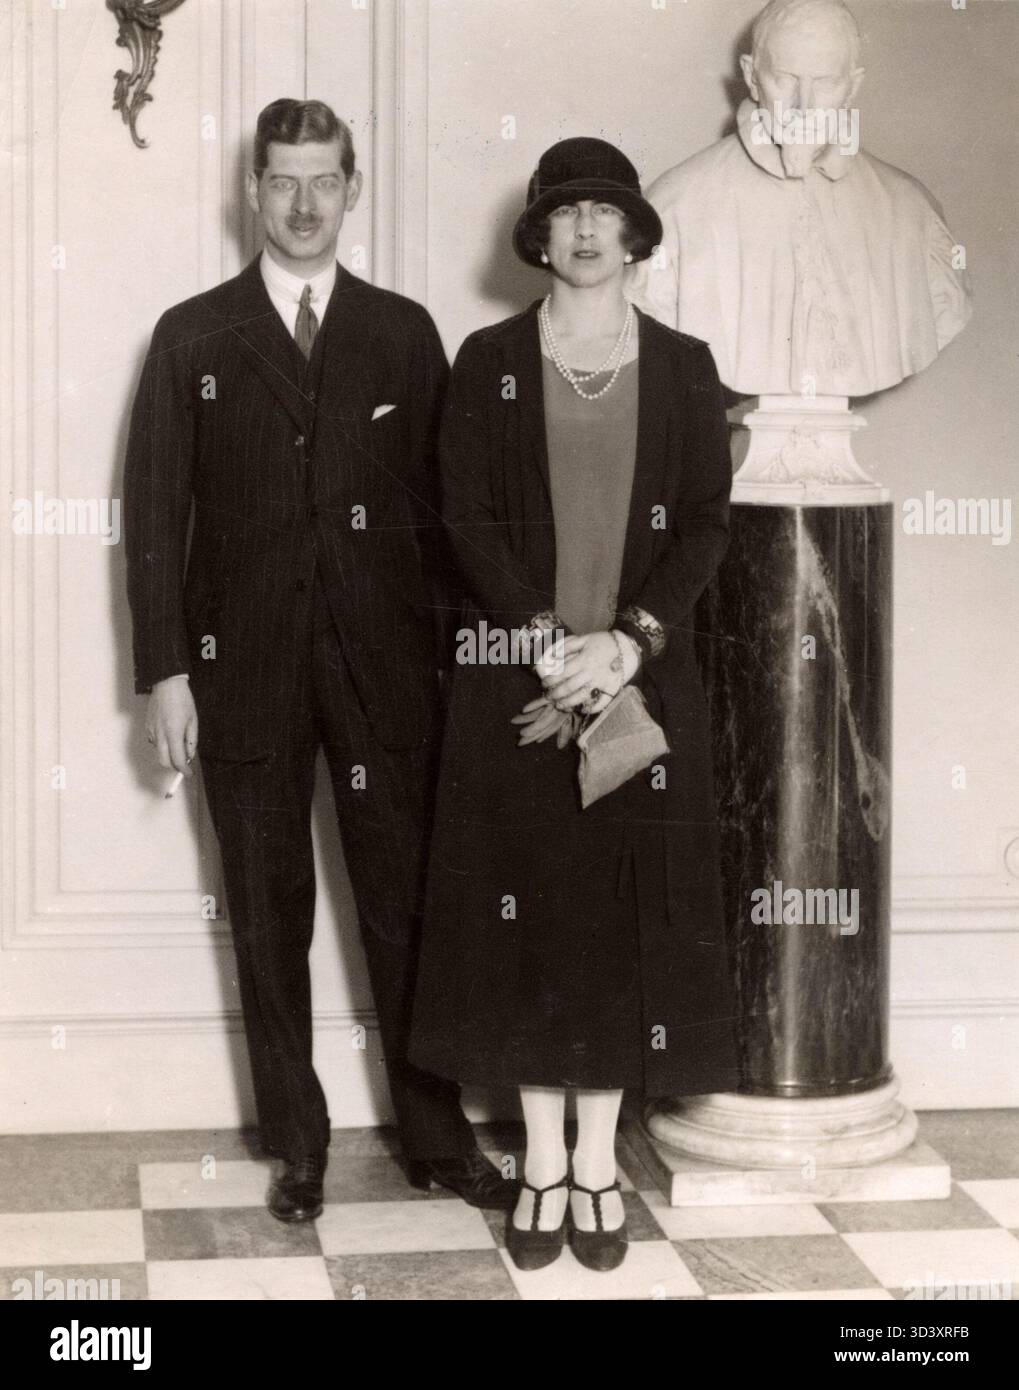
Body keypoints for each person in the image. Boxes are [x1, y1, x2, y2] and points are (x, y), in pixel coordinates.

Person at [124, 98, 515, 1223]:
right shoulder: (192, 334)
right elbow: (156, 514)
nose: (302, 205)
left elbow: (449, 527)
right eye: (282, 181)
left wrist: (466, 670)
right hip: (237, 673)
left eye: (323, 182)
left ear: (354, 189)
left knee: (405, 907)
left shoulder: (402, 333)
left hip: (388, 677)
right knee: (266, 910)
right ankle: (298, 1143)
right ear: (253, 190)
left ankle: (435, 1138)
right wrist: (164, 672)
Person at [408, 138, 740, 1272]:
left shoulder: (687, 367)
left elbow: (703, 523)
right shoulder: (488, 356)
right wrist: (549, 641)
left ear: (634, 234)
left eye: (605, 211)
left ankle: (598, 1161)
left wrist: (628, 643)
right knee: (527, 927)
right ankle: (539, 1161)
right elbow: (462, 519)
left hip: (638, 689)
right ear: (539, 238)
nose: (585, 230)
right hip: (518, 682)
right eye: (564, 214)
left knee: (615, 934)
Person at [627, 0, 971, 397]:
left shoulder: (910, 210)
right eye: (785, 79)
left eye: (824, 82)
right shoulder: (675, 206)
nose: (804, 106)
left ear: (852, 86)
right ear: (751, 76)